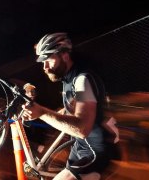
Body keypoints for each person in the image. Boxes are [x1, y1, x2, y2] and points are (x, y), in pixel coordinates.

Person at [22, 32, 119, 180]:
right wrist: (36, 113)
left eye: (48, 59)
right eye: (42, 62)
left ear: (64, 55)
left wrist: (41, 112)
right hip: (81, 148)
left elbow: (81, 129)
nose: (45, 67)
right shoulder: (69, 79)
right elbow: (69, 111)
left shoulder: (83, 80)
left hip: (96, 153)